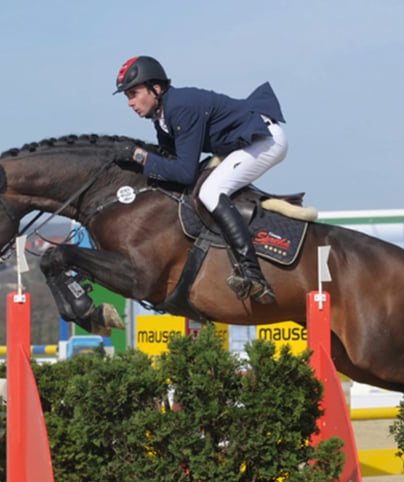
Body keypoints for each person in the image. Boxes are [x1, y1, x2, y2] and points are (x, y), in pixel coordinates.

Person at [113, 55, 288, 304]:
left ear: (157, 89)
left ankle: (252, 273)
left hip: (265, 140)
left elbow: (184, 172)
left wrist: (139, 157)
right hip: (243, 144)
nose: (130, 103)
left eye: (133, 93)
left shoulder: (179, 106)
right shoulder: (161, 118)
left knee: (211, 191)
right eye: (127, 96)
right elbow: (170, 165)